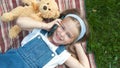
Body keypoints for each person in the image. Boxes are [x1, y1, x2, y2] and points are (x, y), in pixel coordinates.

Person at [0, 9, 90, 68]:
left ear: (72, 41)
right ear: (58, 22)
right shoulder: (40, 31)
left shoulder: (62, 54)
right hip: (7, 61)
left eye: (69, 35)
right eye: (62, 27)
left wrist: (77, 45)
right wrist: (46, 25)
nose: (62, 34)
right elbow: (20, 22)